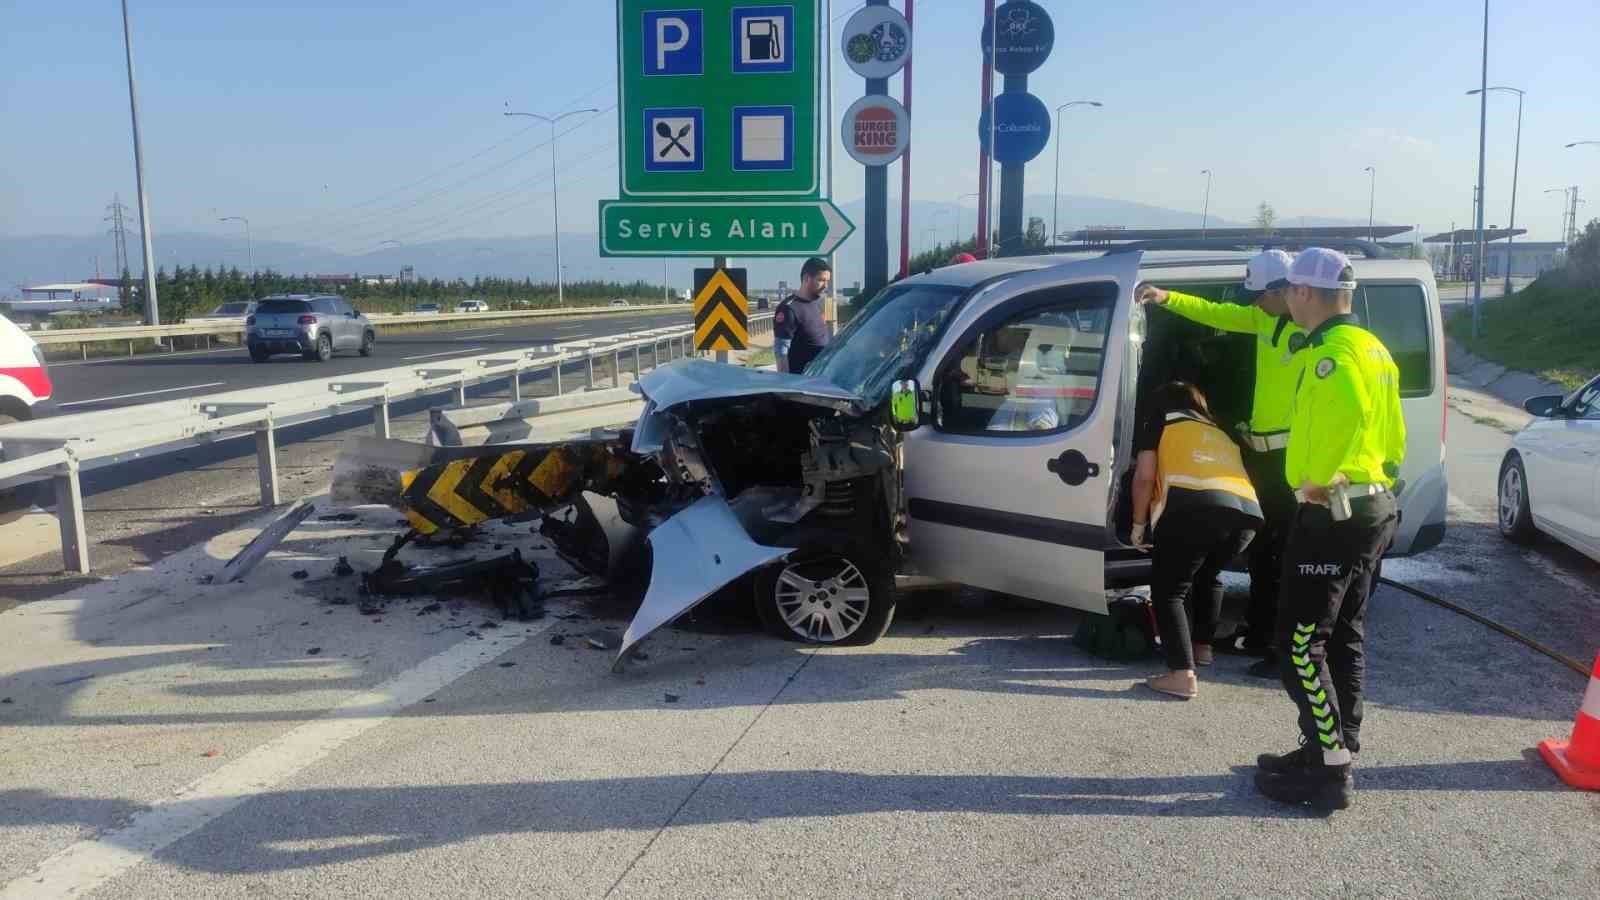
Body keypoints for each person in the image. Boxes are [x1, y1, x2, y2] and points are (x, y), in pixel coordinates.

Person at [1254, 248, 1405, 812]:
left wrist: (1319, 480)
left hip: (1333, 511)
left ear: (1305, 294)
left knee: (1298, 645)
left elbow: (1340, 412)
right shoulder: (1373, 348)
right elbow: (1392, 439)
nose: (1286, 299)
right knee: (1343, 635)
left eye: (1290, 290)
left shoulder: (1332, 356)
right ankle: (1332, 747)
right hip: (1372, 504)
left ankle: (1329, 766)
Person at [1136, 250, 1306, 677]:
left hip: (1293, 461)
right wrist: (1165, 297)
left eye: (1258, 296)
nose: (1252, 304)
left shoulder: (1310, 337)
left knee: (1284, 556)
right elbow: (1215, 311)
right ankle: (1259, 633)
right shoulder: (1264, 320)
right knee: (1264, 553)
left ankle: (1278, 649)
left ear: (1282, 291)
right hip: (1263, 454)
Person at [1131, 381, 1262, 699]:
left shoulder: (1161, 422)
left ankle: (1181, 674)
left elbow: (1145, 477)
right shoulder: (1219, 430)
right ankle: (1202, 649)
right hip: (1246, 517)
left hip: (1194, 510)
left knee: (1168, 591)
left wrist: (1138, 524)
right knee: (1208, 575)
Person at [773, 257, 832, 374]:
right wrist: (785, 385)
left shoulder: (817, 304)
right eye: (821, 280)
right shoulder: (788, 309)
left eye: (827, 281)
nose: (825, 286)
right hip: (801, 382)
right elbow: (781, 351)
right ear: (806, 278)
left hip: (820, 378)